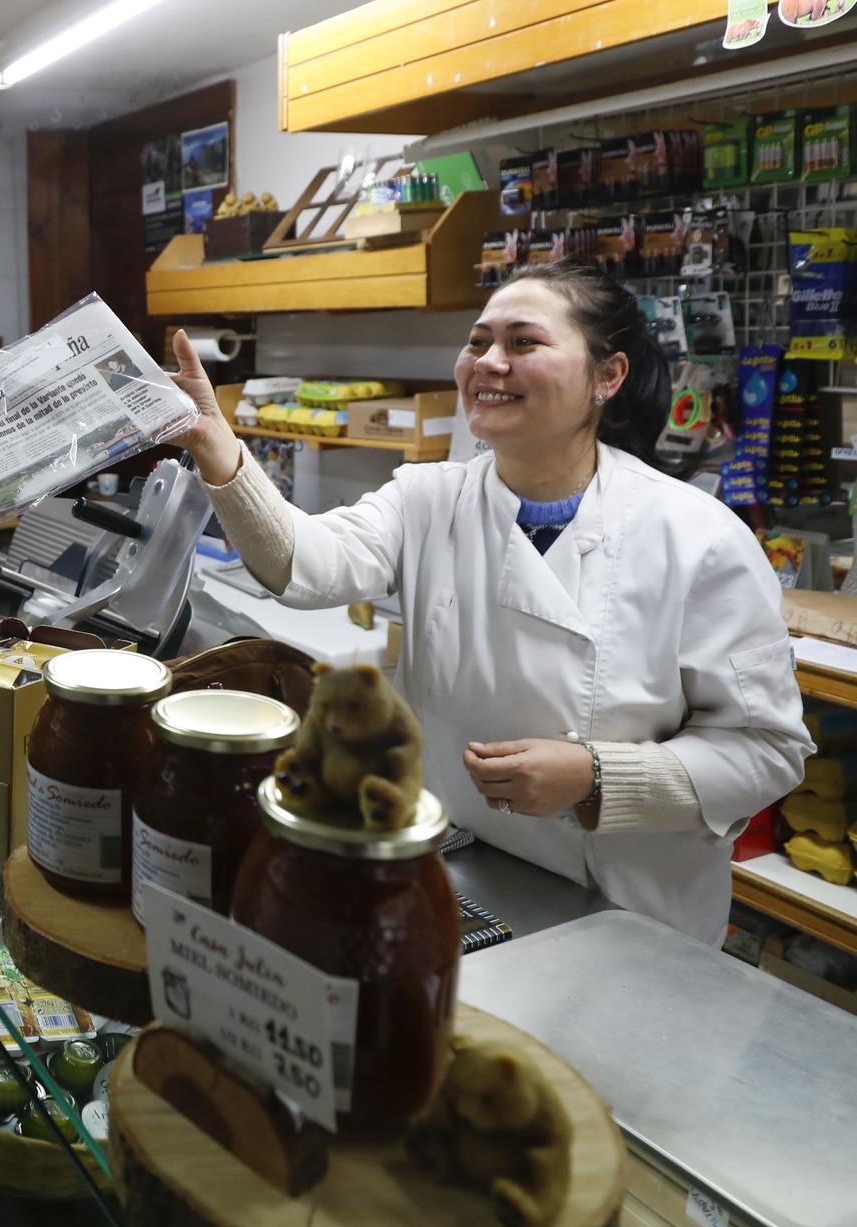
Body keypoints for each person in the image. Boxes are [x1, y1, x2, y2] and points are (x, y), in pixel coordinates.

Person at [170, 256, 810, 943]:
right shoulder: (429, 498)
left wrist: (597, 777)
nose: (489, 362)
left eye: (523, 342)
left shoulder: (697, 537)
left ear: (608, 375)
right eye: (477, 343)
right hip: (463, 882)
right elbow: (302, 563)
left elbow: (768, 749)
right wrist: (219, 447)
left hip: (634, 916)